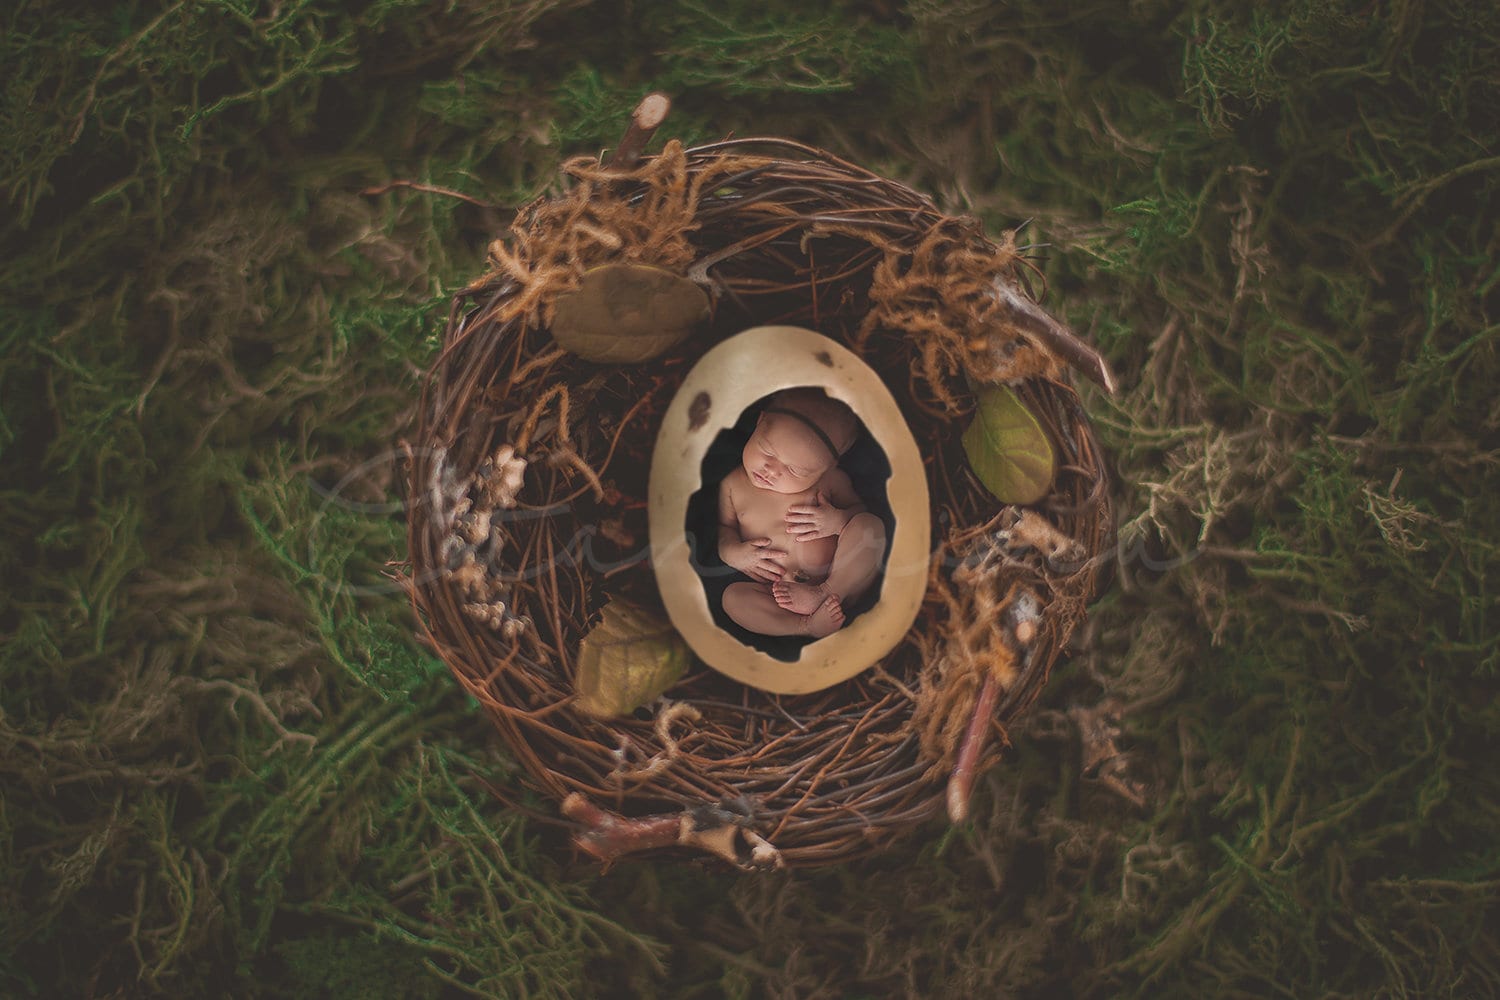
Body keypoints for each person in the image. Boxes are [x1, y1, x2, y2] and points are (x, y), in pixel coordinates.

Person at [717, 388, 887, 638]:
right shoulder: (731, 485)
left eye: (795, 470)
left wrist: (838, 522)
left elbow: (859, 513)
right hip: (776, 594)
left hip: (843, 581)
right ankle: (805, 627)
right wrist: (733, 555)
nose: (771, 470)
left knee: (870, 526)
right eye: (767, 451)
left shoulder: (831, 482)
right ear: (759, 421)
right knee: (732, 599)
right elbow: (724, 529)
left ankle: (827, 592)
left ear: (827, 469)